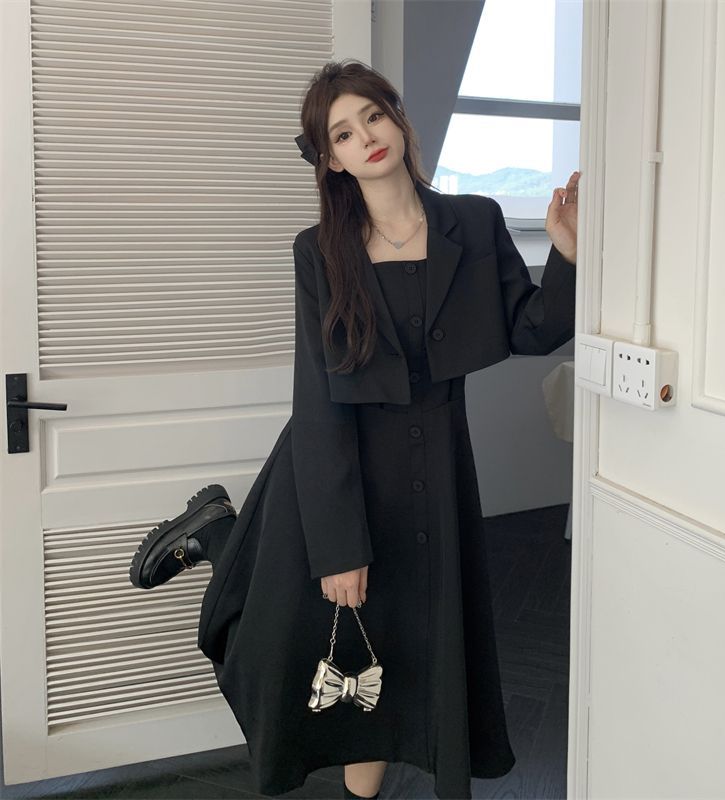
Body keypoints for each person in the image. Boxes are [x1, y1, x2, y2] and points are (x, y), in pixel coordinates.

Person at [129, 59, 579, 800]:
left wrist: (564, 252)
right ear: (331, 159)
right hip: (339, 472)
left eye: (373, 115)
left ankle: (223, 538)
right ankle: (219, 538)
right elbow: (318, 401)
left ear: (397, 118)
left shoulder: (474, 221)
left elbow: (532, 328)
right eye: (342, 133)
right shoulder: (319, 251)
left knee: (397, 656)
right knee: (284, 646)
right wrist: (339, 547)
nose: (365, 136)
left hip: (437, 472)